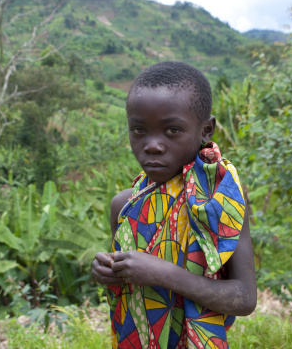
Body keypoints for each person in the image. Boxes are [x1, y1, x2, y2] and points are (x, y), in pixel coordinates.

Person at [91, 61, 257, 349]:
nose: (152, 145)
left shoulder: (222, 202)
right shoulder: (124, 206)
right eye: (139, 130)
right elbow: (128, 284)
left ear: (206, 130)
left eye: (172, 131)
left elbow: (244, 298)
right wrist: (107, 272)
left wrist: (163, 274)